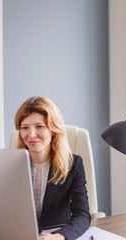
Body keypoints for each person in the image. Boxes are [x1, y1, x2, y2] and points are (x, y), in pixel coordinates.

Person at [14, 96, 91, 240]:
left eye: (39, 126)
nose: (31, 134)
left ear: (53, 130)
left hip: (56, 235)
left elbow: (82, 214)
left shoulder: (73, 164)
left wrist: (60, 236)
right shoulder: (11, 165)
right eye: (25, 128)